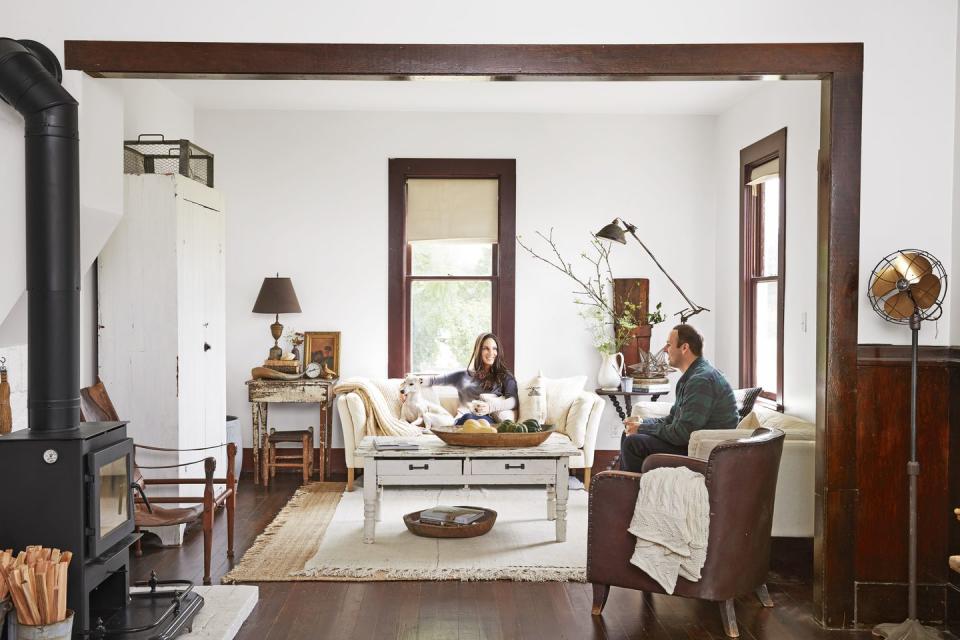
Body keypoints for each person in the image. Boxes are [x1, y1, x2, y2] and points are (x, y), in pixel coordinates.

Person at [619, 324, 738, 473]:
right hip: (688, 442)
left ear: (684, 348)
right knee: (628, 433)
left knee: (633, 443)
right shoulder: (692, 377)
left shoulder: (702, 380)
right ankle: (624, 489)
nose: (664, 349)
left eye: (669, 344)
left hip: (704, 454)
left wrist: (642, 428)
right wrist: (641, 422)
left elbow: (682, 434)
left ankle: (632, 493)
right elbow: (672, 420)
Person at [420, 332, 519, 425]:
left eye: (494, 348)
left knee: (470, 419)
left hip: (487, 421)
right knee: (464, 418)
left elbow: (513, 401)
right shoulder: (462, 375)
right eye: (486, 348)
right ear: (478, 350)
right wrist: (405, 388)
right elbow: (432, 380)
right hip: (461, 419)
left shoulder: (505, 376)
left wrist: (489, 407)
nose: (491, 352)